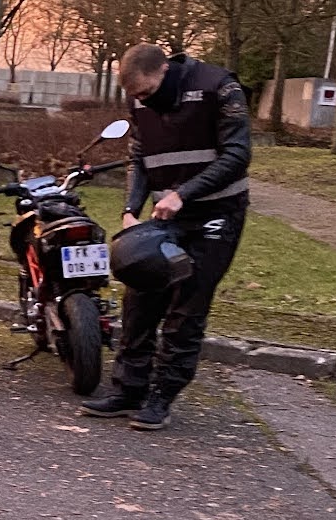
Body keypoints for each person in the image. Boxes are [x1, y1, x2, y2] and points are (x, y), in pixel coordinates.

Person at [82, 42, 251, 432]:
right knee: (139, 298)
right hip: (165, 216)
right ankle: (129, 390)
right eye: (135, 96)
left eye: (146, 92)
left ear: (163, 70)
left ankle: (162, 397)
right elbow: (139, 158)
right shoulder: (139, 101)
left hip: (216, 215)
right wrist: (130, 208)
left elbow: (237, 154)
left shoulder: (219, 87)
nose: (142, 101)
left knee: (186, 306)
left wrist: (183, 194)